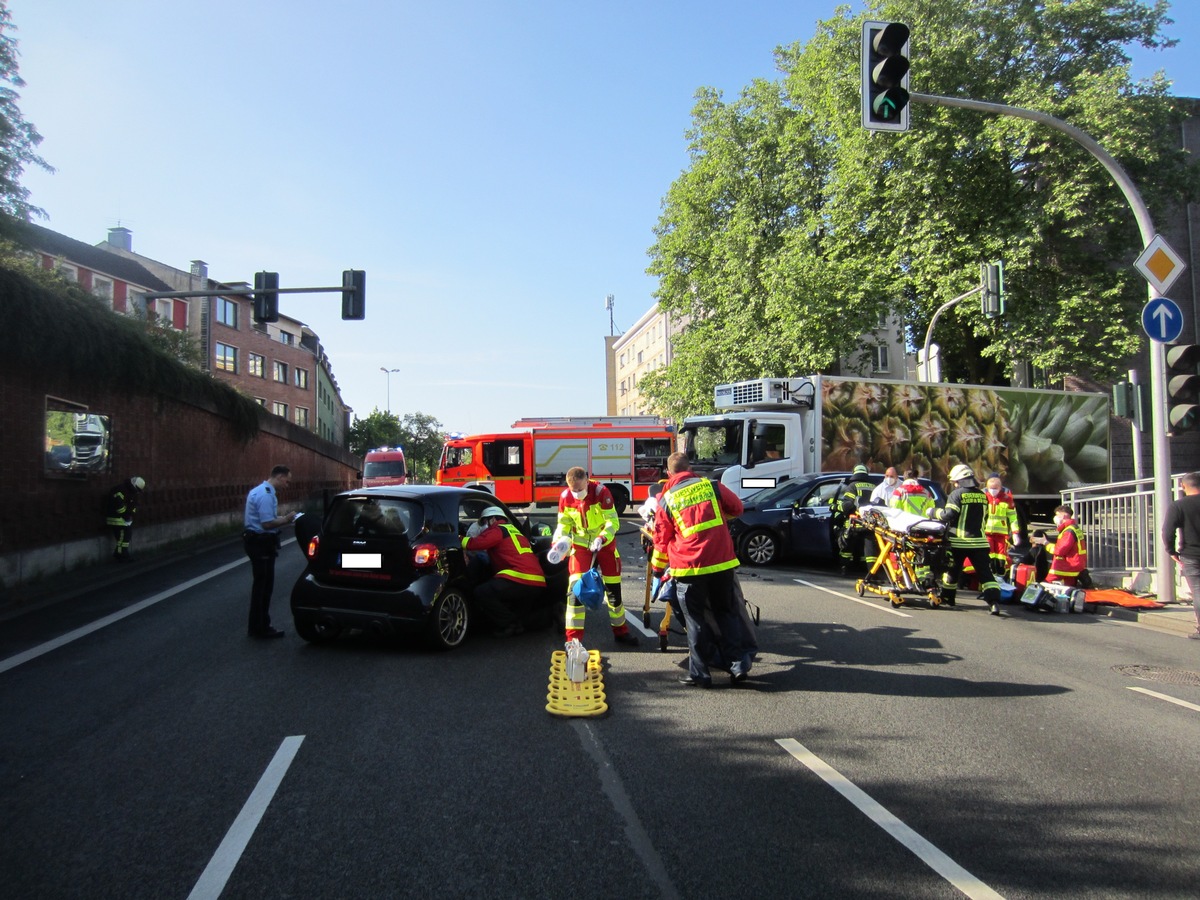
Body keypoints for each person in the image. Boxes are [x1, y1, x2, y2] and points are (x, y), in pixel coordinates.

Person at [653, 451, 750, 687]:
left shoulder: (667, 499)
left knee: (694, 620)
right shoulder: (711, 486)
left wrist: (657, 571)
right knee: (727, 614)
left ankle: (700, 674)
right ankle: (737, 666)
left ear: (669, 474)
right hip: (722, 563)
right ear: (690, 468)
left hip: (689, 568)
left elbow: (661, 540)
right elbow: (737, 508)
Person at [555, 466, 638, 646]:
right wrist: (559, 542)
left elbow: (612, 521)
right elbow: (563, 524)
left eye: (580, 489)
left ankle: (621, 631)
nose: (577, 493)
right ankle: (573, 640)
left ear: (587, 480)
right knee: (575, 592)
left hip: (605, 546)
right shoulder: (565, 497)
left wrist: (602, 538)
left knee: (614, 592)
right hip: (581, 547)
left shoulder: (601, 492)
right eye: (573, 490)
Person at [462, 506, 547, 637]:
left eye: (486, 521)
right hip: (537, 580)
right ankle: (547, 616)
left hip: (519, 577)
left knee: (482, 592)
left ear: (493, 519)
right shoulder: (515, 531)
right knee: (523, 615)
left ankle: (510, 624)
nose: (486, 525)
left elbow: (477, 544)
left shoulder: (497, 529)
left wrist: (459, 539)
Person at [936, 463, 1001, 615]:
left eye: (955, 482)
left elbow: (948, 515)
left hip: (959, 542)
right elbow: (985, 517)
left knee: (952, 572)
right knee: (986, 574)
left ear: (959, 481)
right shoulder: (982, 495)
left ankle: (948, 598)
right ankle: (994, 602)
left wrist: (933, 512)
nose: (955, 484)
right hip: (979, 542)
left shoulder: (956, 494)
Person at [243, 465, 300, 639]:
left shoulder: (259, 491)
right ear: (280, 476)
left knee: (261, 585)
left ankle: (257, 626)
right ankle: (261, 627)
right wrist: (286, 519)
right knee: (264, 587)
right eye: (287, 481)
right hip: (261, 544)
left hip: (256, 542)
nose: (287, 485)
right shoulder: (266, 495)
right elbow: (267, 523)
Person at [1162, 472, 1200, 639]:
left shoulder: (1178, 506)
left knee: (1198, 591)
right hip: (1191, 555)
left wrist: (1171, 551)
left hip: (1191, 555)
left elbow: (1167, 532)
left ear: (1183, 486)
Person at [832, 464, 877, 576]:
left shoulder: (852, 486)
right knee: (869, 550)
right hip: (871, 524)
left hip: (855, 523)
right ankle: (870, 572)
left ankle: (844, 568)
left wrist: (836, 507)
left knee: (847, 547)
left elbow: (847, 506)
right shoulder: (873, 487)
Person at [1036, 504, 1087, 586]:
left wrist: (1045, 543)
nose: (1055, 518)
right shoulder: (1075, 528)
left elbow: (1060, 550)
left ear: (1063, 515)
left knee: (1044, 585)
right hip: (1074, 563)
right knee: (1069, 587)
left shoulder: (1068, 531)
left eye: (1057, 515)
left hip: (1065, 565)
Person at [983, 474, 1021, 574]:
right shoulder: (984, 498)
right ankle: (990, 575)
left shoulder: (1006, 499)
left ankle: (1000, 574)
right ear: (987, 488)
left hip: (1001, 534)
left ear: (1000, 488)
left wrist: (1015, 533)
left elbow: (1013, 517)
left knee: (1001, 556)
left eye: (995, 488)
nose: (993, 490)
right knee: (989, 555)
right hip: (986, 533)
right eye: (991, 488)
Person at [104, 476, 145, 561]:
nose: (137, 492)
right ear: (133, 484)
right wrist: (127, 515)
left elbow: (134, 505)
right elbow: (118, 505)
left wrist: (130, 514)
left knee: (125, 537)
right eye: (137, 489)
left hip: (123, 519)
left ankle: (121, 553)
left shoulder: (132, 492)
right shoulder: (120, 490)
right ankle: (121, 554)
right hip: (116, 518)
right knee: (124, 536)